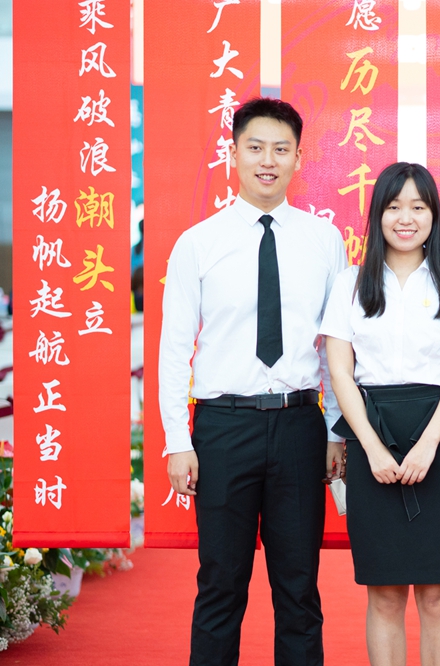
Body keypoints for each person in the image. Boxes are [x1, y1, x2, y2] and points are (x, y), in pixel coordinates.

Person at [159, 97, 348, 666]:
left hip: (298, 425)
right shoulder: (198, 243)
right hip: (223, 428)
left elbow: (335, 348)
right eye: (256, 147)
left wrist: (335, 429)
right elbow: (174, 349)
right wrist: (177, 440)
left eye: (281, 149)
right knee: (220, 584)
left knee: (299, 588)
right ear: (234, 154)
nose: (268, 160)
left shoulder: (324, 241)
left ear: (298, 159)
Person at [322, 162, 440, 666]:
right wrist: (371, 448)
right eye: (394, 207)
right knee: (385, 592)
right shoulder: (351, 284)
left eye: (418, 206)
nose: (405, 218)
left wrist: (428, 444)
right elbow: (340, 371)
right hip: (371, 435)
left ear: (434, 215)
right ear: (378, 215)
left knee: (437, 594)